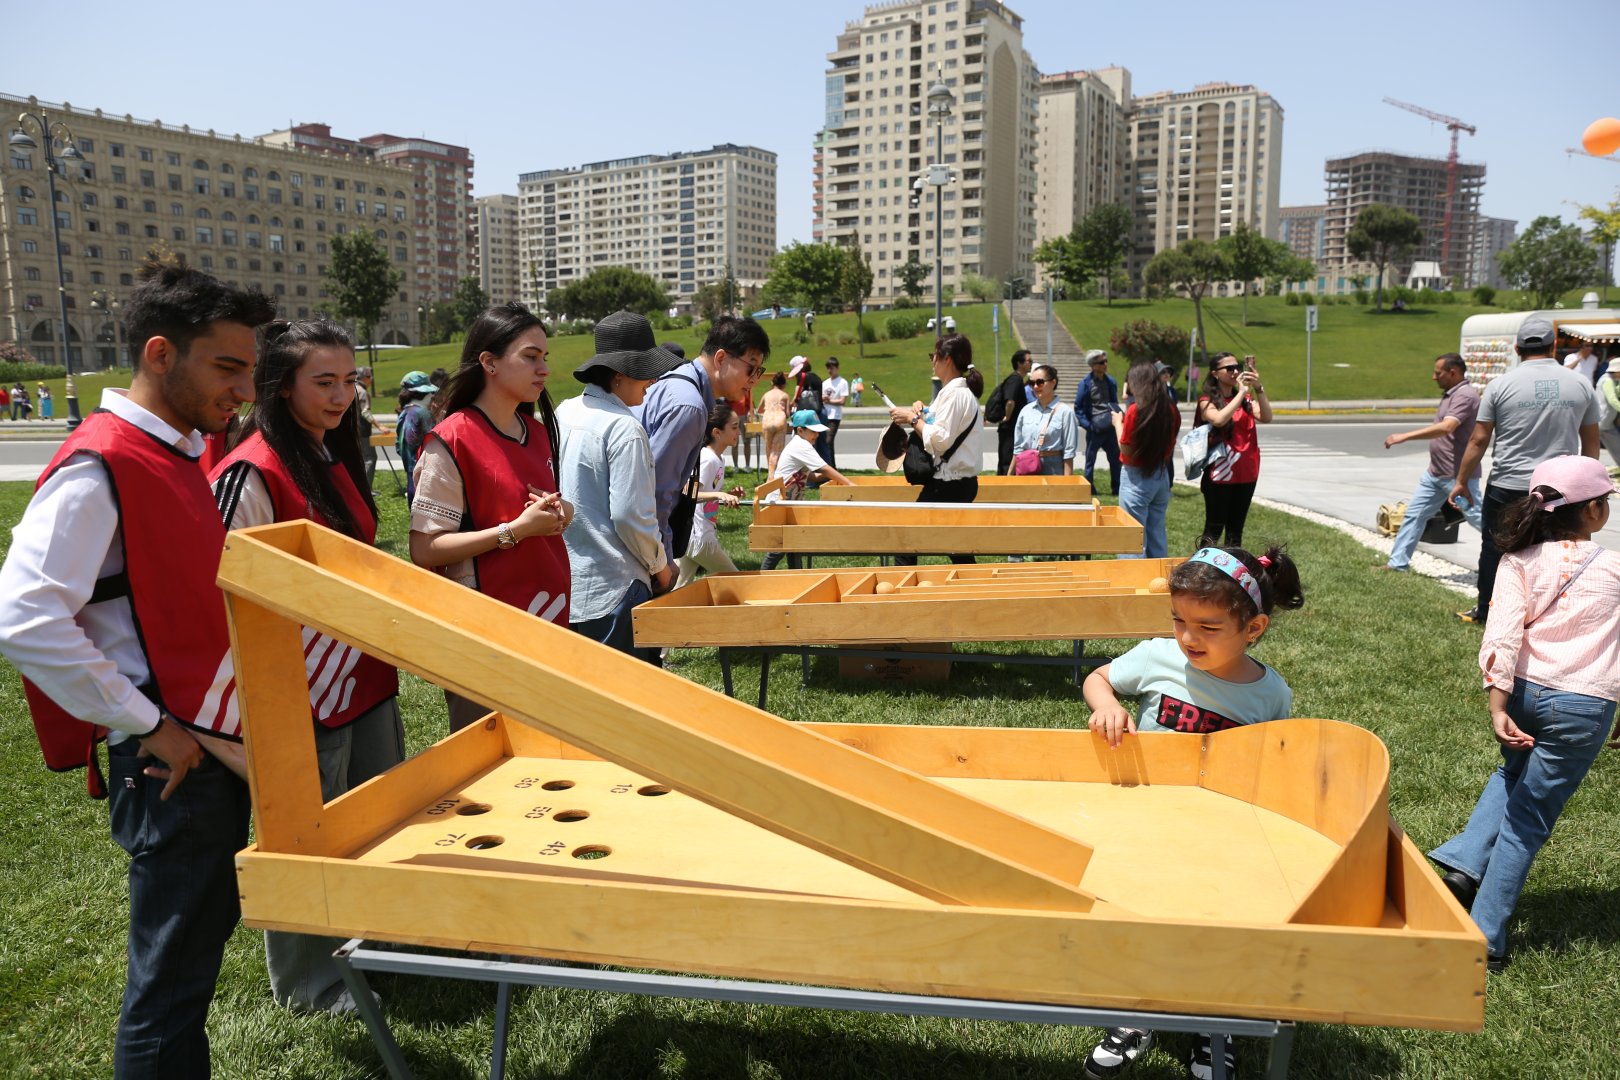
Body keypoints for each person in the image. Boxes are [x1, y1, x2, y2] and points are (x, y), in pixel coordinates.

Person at [0, 259, 275, 1077]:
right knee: (168, 990)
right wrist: (154, 727)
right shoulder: (101, 463)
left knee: (186, 972)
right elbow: (23, 616)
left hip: (201, 747)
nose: (244, 390)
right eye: (228, 368)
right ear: (161, 354)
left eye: (250, 371)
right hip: (171, 763)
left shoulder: (177, 450)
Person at [209, 319, 402, 1014]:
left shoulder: (333, 453)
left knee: (371, 818)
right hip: (298, 689)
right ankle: (311, 985)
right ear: (279, 386)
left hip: (365, 677)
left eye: (350, 380)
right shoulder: (252, 469)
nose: (342, 395)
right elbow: (226, 590)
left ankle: (370, 944)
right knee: (304, 834)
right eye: (324, 381)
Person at [1081, 544, 1305, 1080]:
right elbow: (1099, 677)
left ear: (1253, 628)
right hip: (1149, 819)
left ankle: (1214, 1022)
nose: (1188, 638)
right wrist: (1107, 704)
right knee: (1143, 913)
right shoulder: (1159, 657)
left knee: (1219, 922)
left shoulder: (1270, 694)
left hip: (1224, 833)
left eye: (1207, 627)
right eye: (1179, 620)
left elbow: (1276, 758)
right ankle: (1138, 1011)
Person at [1429, 456, 1620, 973]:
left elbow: (1502, 635)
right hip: (1584, 705)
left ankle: (1464, 867)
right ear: (1596, 511)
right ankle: (1484, 937)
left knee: (1510, 772)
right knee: (1527, 824)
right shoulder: (1613, 569)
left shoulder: (1518, 562)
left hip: (1524, 696)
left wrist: (1497, 702)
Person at [409, 303, 573, 729]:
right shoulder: (451, 439)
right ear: (489, 362)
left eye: (545, 358)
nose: (543, 370)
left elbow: (547, 508)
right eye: (530, 357)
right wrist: (514, 531)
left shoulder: (535, 431)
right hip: (485, 636)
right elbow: (424, 547)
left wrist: (560, 511)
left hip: (547, 622)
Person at [1450, 318, 1599, 625]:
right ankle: (1550, 617)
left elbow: (1479, 439)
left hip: (1509, 483)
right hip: (1560, 488)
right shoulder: (1581, 384)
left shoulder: (1500, 385)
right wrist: (1587, 488)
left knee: (1496, 548)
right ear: (1554, 346)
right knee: (1558, 551)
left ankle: (1488, 612)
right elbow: (1591, 443)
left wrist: (1462, 481)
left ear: (1517, 348)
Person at [557, 311, 684, 661]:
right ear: (617, 376)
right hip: (616, 586)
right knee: (626, 702)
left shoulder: (563, 412)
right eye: (644, 371)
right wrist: (661, 568)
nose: (653, 379)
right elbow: (630, 515)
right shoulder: (624, 428)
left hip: (566, 584)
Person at [641, 315, 769, 569]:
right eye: (751, 368)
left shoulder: (683, 384)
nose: (754, 380)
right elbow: (655, 493)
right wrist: (662, 561)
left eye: (760, 371)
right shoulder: (689, 406)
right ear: (721, 359)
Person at [1376, 353, 1484, 572]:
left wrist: (1404, 436)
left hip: (1458, 478)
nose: (1434, 377)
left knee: (1479, 519)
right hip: (1435, 474)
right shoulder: (1450, 394)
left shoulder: (1465, 395)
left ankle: (1518, 552)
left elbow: (1447, 427)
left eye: (1438, 372)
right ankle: (1397, 564)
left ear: (1453, 372)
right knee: (1414, 515)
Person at [889, 333, 984, 566]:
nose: (932, 361)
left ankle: (903, 592)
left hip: (949, 483)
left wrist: (912, 419)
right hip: (957, 482)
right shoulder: (955, 393)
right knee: (956, 546)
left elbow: (941, 440)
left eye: (934, 356)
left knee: (906, 540)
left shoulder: (955, 394)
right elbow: (943, 425)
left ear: (947, 359)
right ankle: (973, 589)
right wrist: (924, 411)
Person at [759, 409, 854, 571]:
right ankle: (762, 576)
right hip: (779, 502)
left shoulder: (801, 444)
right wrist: (850, 485)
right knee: (778, 547)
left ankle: (796, 574)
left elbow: (813, 476)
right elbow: (824, 469)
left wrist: (834, 479)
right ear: (801, 430)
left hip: (788, 502)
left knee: (793, 542)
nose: (817, 435)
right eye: (813, 431)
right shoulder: (801, 445)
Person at [1196, 352, 1273, 547]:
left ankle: (1230, 574)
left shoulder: (1246, 401)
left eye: (1237, 366)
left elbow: (1267, 417)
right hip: (1220, 474)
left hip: (1247, 473)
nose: (1236, 371)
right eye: (1229, 368)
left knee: (1235, 531)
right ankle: (1201, 572)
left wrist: (1258, 388)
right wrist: (1241, 393)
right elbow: (1219, 419)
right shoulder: (1207, 400)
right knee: (1213, 530)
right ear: (1215, 373)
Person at [674, 403, 747, 589]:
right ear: (717, 432)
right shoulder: (707, 458)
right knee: (737, 582)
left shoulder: (718, 459)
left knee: (676, 589)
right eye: (734, 427)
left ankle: (655, 616)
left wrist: (727, 495)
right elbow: (688, 492)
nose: (738, 432)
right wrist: (720, 494)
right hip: (699, 537)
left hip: (694, 536)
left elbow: (704, 493)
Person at [1117, 360, 1181, 559]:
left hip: (1136, 477)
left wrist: (1116, 424)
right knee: (1156, 532)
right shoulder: (1171, 409)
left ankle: (1135, 583)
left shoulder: (1136, 411)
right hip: (1161, 475)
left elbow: (1126, 449)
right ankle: (1159, 579)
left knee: (1132, 536)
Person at [1011, 364, 1079, 475]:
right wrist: (1010, 477)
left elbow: (1069, 454)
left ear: (1053, 382)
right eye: (1032, 383)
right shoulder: (1026, 410)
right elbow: (1017, 449)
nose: (1036, 387)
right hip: (1026, 470)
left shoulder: (1065, 413)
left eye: (1040, 382)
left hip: (1053, 472)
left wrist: (1067, 484)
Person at [1074, 349, 1122, 495]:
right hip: (1095, 429)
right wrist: (1088, 426)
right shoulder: (1085, 384)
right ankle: (1089, 489)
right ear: (1093, 365)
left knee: (1115, 460)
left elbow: (1114, 402)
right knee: (1090, 461)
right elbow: (1078, 407)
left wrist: (1117, 420)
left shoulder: (1111, 382)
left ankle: (1117, 488)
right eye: (1101, 362)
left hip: (1110, 428)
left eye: (1105, 361)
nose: (1105, 364)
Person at [988, 348, 1033, 475]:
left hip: (1012, 428)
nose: (1031, 363)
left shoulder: (1017, 379)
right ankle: (1003, 491)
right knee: (1007, 462)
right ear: (1019, 363)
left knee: (1012, 462)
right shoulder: (1015, 379)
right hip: (1009, 429)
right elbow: (1010, 401)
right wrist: (1007, 418)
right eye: (1029, 361)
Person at [395, 369, 435, 504]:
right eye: (430, 392)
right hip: (423, 471)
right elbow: (434, 440)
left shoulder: (405, 412)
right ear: (422, 393)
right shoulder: (423, 413)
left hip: (410, 469)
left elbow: (399, 446)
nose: (432, 395)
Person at [759, 371, 791, 478]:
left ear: (772, 383)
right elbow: (787, 413)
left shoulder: (766, 395)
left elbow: (759, 409)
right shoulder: (784, 395)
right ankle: (774, 476)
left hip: (767, 420)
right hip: (779, 420)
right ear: (783, 384)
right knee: (776, 451)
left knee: (769, 449)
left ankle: (770, 474)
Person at [821, 356, 849, 467]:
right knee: (824, 442)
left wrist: (830, 400)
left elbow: (842, 401)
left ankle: (832, 468)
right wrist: (823, 398)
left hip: (834, 416)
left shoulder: (842, 382)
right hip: (825, 415)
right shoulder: (825, 383)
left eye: (832, 368)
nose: (829, 370)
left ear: (837, 368)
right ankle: (827, 467)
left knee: (828, 441)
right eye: (828, 368)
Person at [353, 364, 378, 490]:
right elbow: (365, 412)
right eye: (369, 376)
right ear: (362, 378)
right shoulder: (362, 392)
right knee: (370, 459)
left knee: (360, 459)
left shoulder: (352, 389)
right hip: (362, 431)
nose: (371, 379)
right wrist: (380, 426)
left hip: (354, 430)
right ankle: (366, 489)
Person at [1597, 358, 1620, 468]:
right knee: (1617, 447)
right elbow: (1612, 399)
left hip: (1604, 421)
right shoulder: (1608, 381)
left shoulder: (1610, 380)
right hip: (1603, 421)